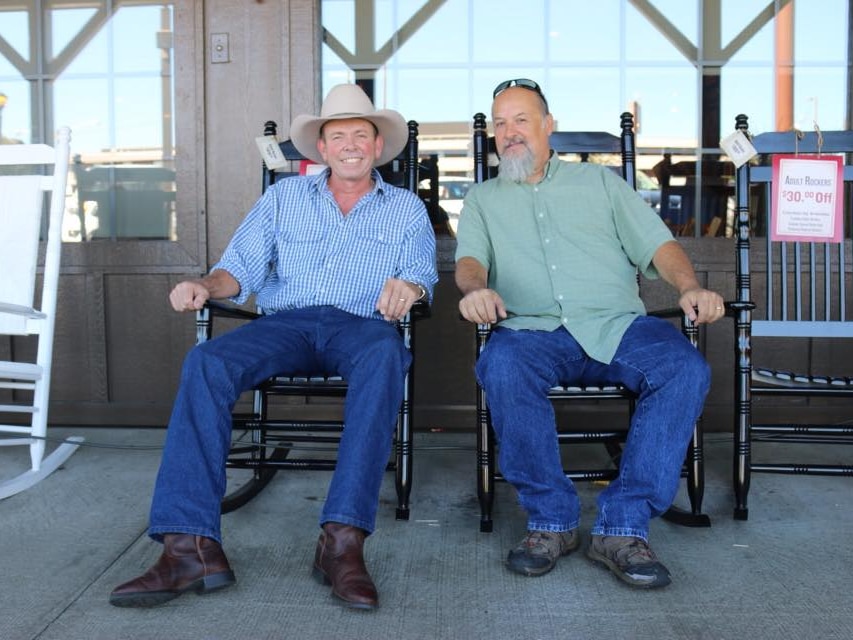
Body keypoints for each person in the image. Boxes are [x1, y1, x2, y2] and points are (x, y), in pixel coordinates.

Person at [109, 84, 438, 611]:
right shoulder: (283, 198)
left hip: (360, 327)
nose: (350, 144)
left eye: (361, 134)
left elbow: (421, 271)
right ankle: (188, 545)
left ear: (377, 147)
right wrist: (205, 286)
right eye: (338, 136)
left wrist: (413, 287)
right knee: (207, 361)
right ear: (322, 149)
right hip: (286, 324)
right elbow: (235, 270)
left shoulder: (405, 208)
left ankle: (342, 542)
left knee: (386, 355)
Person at [454, 79, 724, 589]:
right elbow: (470, 262)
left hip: (616, 326)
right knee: (501, 364)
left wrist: (688, 285)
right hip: (530, 330)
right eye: (500, 123)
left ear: (548, 126)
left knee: (683, 367)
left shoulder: (601, 185)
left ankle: (622, 527)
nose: (510, 133)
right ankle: (551, 522)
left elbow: (657, 245)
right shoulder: (483, 199)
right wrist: (473, 290)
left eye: (522, 120)